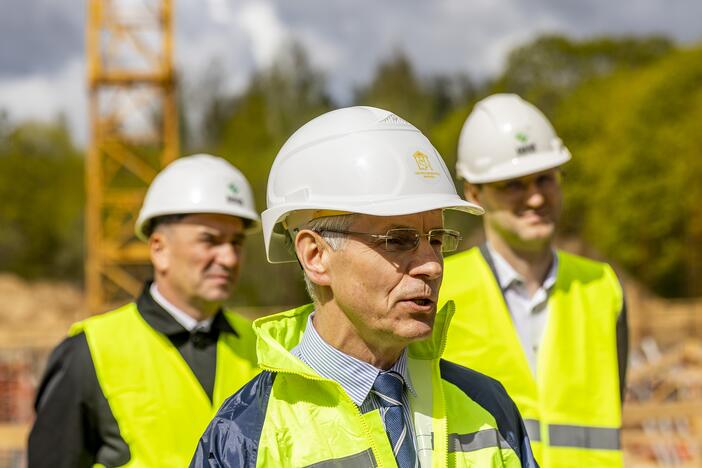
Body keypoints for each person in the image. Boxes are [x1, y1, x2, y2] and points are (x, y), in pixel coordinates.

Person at [191, 106, 538, 467]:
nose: (432, 266)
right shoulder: (246, 435)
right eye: (398, 240)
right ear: (315, 255)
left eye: (436, 239)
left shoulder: (486, 404)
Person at [28, 154, 261, 468]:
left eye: (236, 243)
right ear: (159, 249)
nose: (229, 258)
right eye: (210, 240)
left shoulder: (262, 347)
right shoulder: (89, 352)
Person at [439, 94, 628, 467]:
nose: (537, 197)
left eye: (546, 179)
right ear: (473, 193)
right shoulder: (441, 289)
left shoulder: (602, 288)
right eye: (513, 185)